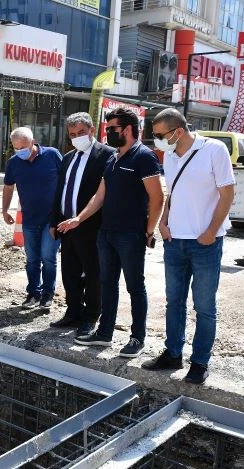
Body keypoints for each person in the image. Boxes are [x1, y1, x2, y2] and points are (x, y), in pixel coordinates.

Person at [57, 107, 164, 356]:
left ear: (127, 129)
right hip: (106, 233)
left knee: (135, 286)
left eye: (112, 129)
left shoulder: (144, 157)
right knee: (108, 283)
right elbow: (100, 196)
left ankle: (137, 338)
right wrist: (78, 219)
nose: (108, 133)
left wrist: (149, 231)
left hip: (131, 235)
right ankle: (105, 333)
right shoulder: (113, 157)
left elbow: (158, 197)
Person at [141, 108, 235, 385]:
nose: (156, 141)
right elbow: (172, 190)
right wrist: (164, 222)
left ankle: (200, 361)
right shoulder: (169, 156)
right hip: (175, 240)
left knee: (204, 306)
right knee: (174, 302)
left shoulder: (213, 150)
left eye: (159, 135)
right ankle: (173, 353)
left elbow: (227, 193)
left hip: (206, 242)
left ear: (177, 132)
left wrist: (210, 231)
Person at [49, 112, 115, 337]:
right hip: (66, 226)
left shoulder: (107, 155)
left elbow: (105, 195)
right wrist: (54, 221)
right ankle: (73, 311)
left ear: (92, 130)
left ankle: (91, 315)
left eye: (81, 133)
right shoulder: (68, 157)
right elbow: (60, 191)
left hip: (92, 226)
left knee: (93, 273)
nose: (77, 137)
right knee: (70, 273)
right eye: (72, 134)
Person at [2, 127, 62, 309]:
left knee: (48, 257)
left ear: (33, 141)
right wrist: (4, 210)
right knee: (32, 259)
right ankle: (33, 294)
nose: (20, 151)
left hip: (52, 219)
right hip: (29, 219)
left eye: (23, 147)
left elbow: (66, 181)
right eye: (16, 148)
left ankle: (47, 294)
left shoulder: (52, 155)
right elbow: (8, 187)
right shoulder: (13, 163)